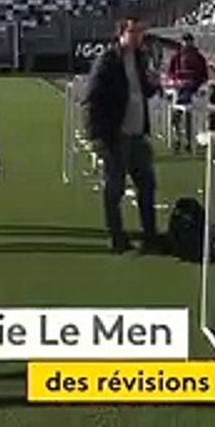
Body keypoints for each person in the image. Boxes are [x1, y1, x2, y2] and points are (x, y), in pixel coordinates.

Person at [85, 17, 161, 254]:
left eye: (141, 31)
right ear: (121, 33)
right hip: (116, 136)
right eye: (133, 31)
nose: (138, 36)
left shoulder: (140, 59)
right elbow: (92, 98)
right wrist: (96, 136)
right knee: (115, 188)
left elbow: (143, 92)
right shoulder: (108, 60)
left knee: (147, 186)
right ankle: (116, 236)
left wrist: (153, 84)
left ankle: (150, 237)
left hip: (137, 134)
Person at [165, 33, 209, 152]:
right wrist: (177, 81)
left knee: (189, 117)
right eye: (185, 41)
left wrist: (197, 85)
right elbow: (170, 73)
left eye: (189, 41)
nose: (187, 43)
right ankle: (177, 138)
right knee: (176, 116)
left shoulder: (199, 58)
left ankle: (189, 141)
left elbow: (204, 76)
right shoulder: (176, 57)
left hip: (193, 91)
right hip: (179, 90)